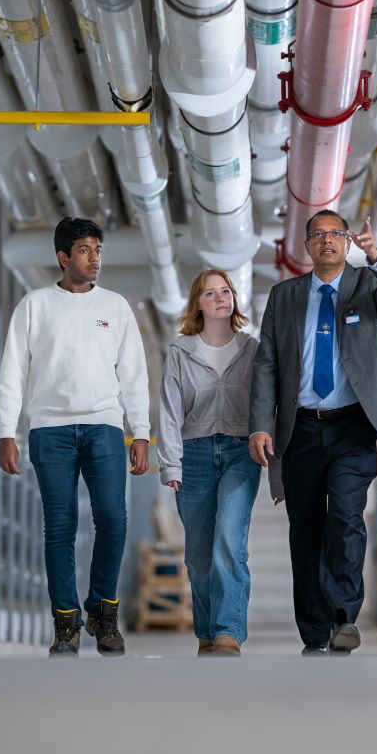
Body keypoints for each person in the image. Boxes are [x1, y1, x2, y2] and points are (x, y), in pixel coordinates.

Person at [249, 212, 377, 656]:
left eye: (335, 234)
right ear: (306, 244)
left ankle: (344, 617)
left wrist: (375, 255)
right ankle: (314, 632)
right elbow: (266, 363)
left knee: (345, 517)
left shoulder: (365, 285)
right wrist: (261, 424)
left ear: (347, 241)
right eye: (317, 235)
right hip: (299, 427)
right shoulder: (285, 296)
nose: (327, 241)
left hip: (353, 424)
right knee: (306, 530)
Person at [0, 217, 150, 659]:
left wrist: (140, 431)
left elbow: (134, 374)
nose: (94, 258)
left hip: (104, 425)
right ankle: (66, 624)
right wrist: (7, 431)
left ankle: (104, 612)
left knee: (113, 520)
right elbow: (12, 373)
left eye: (98, 250)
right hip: (49, 429)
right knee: (59, 529)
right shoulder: (34, 305)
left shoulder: (116, 307)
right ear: (63, 257)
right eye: (84, 250)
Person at [156, 270, 261, 658]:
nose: (220, 297)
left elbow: (265, 404)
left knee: (229, 541)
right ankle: (206, 634)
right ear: (198, 303)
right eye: (211, 293)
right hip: (194, 454)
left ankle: (228, 634)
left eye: (226, 291)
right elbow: (168, 412)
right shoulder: (181, 352)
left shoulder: (252, 349)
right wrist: (171, 465)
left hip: (240, 452)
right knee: (198, 557)